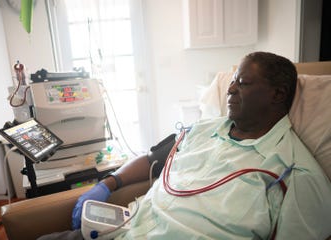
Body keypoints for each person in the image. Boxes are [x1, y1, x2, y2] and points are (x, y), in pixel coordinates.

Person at [39, 52, 331, 240]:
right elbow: (152, 159)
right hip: (124, 230)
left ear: (277, 94)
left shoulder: (297, 174)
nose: (229, 89)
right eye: (231, 81)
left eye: (242, 82)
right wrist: (107, 184)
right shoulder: (202, 130)